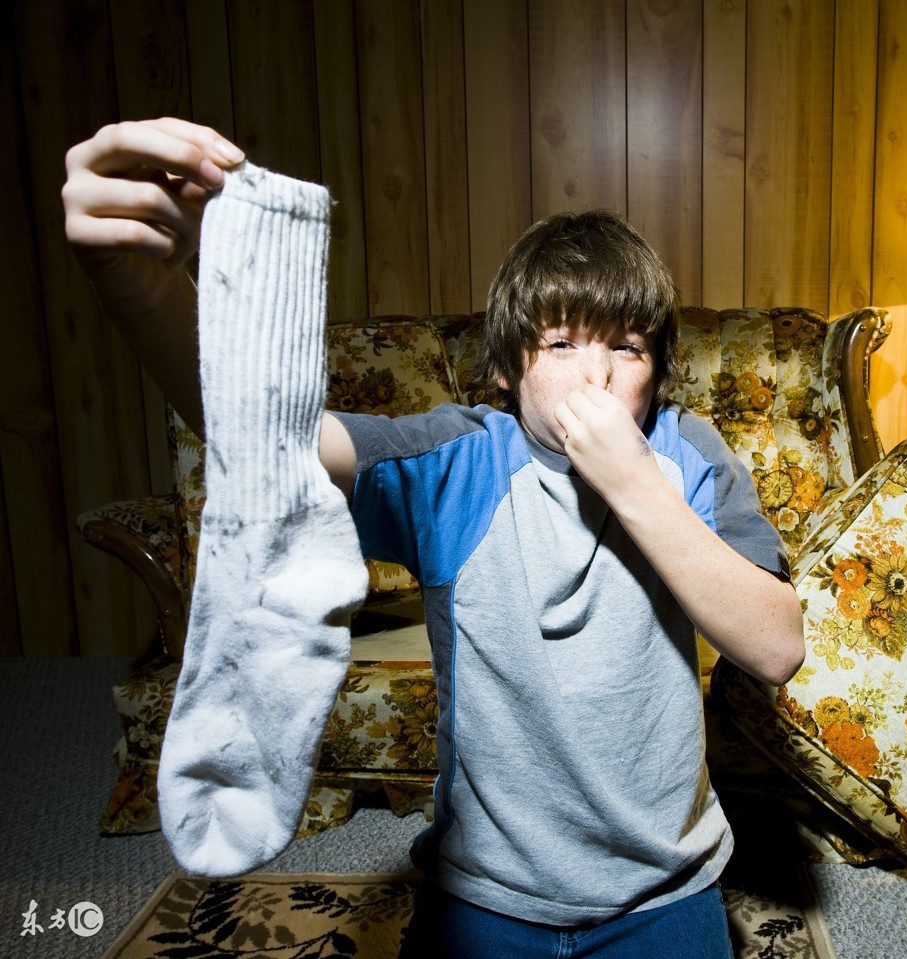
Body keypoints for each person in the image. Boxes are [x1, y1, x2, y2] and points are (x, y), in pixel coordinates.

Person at [63, 117, 805, 958]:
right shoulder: (459, 463)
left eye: (627, 349)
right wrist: (139, 285)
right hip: (488, 891)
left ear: (658, 371)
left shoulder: (689, 452)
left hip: (665, 885)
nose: (595, 375)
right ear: (505, 367)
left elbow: (775, 645)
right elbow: (271, 438)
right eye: (560, 342)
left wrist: (634, 481)